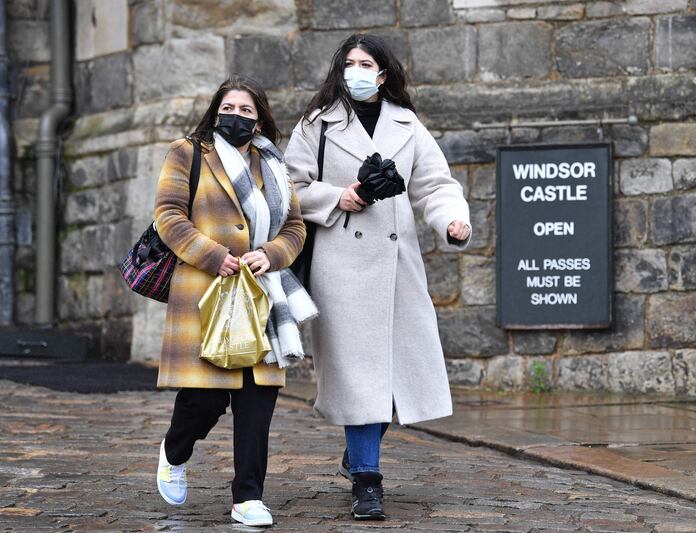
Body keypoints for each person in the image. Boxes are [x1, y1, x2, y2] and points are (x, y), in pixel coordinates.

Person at [284, 34, 472, 521]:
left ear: (383, 74)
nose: (357, 71)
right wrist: (337, 198)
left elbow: (435, 184)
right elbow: (289, 189)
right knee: (358, 377)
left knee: (394, 378)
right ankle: (368, 481)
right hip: (341, 268)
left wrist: (453, 220)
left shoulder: (408, 125)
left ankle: (356, 457)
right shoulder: (316, 124)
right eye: (349, 63)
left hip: (397, 268)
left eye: (366, 63)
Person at [153, 75, 315, 527]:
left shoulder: (273, 164)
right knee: (204, 400)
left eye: (247, 110)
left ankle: (247, 497)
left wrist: (271, 253)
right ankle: (174, 450)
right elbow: (168, 216)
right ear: (215, 110)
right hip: (207, 291)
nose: (238, 116)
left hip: (263, 295)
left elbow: (295, 228)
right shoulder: (187, 153)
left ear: (260, 117)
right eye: (230, 108)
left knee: (256, 399)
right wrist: (214, 255)